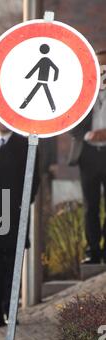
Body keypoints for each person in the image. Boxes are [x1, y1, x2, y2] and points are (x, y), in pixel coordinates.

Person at [0, 116, 39, 331]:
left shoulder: (25, 145)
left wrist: (20, 205)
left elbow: (33, 179)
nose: (0, 121)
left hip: (14, 215)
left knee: (12, 265)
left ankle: (10, 312)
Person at [68, 49, 106, 264]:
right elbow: (71, 123)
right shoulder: (83, 95)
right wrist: (89, 134)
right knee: (90, 205)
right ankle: (93, 250)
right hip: (89, 155)